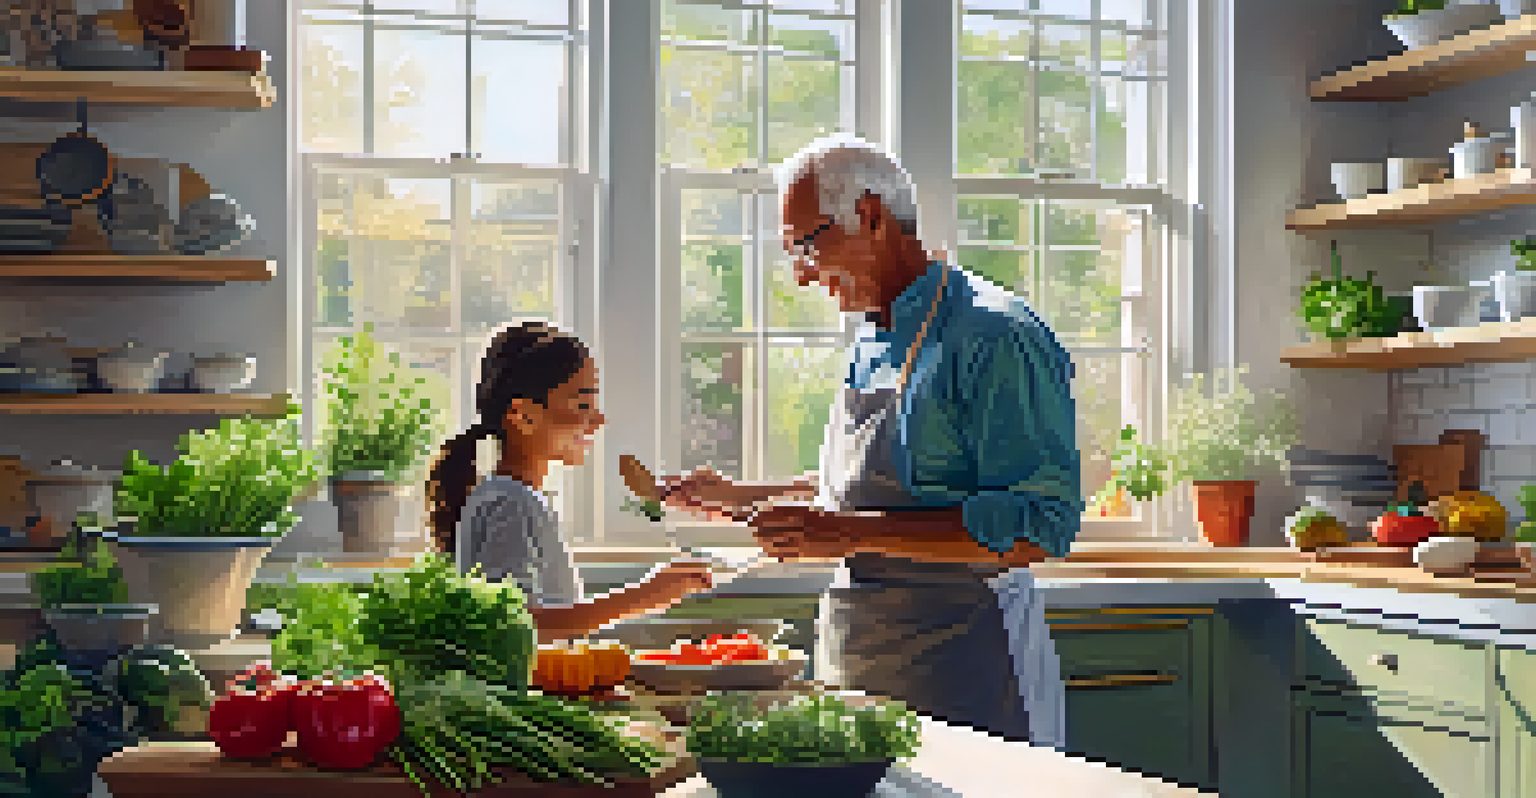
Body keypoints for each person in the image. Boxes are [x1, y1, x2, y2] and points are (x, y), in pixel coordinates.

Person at [661, 134, 1082, 746]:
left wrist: (849, 535)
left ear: (870, 215)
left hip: (971, 672)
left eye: (806, 246)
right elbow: (880, 488)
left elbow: (1041, 526)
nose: (802, 277)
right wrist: (741, 496)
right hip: (864, 670)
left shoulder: (995, 336)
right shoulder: (873, 335)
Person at [428, 322, 715, 644]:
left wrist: (651, 591)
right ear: (523, 416)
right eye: (582, 405)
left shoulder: (516, 497)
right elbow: (512, 624)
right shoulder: (510, 503)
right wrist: (645, 596)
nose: (599, 419)